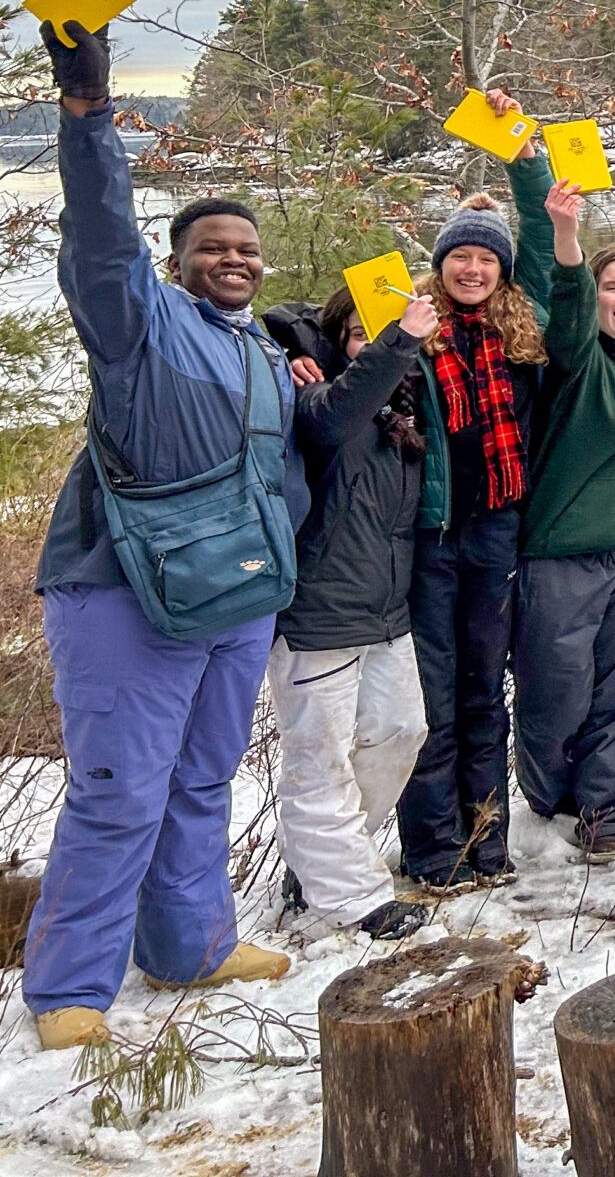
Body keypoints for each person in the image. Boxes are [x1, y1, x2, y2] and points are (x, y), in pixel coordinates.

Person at [22, 20, 296, 1049]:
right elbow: (99, 233)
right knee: (117, 790)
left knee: (200, 779)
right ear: (177, 264)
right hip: (124, 594)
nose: (235, 259)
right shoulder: (138, 322)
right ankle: (68, 991)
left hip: (238, 596)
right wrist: (88, 109)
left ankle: (190, 945)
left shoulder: (264, 352)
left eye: (249, 249)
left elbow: (282, 469)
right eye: (213, 247)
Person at [398, 96, 558, 892]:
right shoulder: (414, 333)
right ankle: (432, 851)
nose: (473, 268)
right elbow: (313, 324)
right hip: (432, 535)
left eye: (484, 259)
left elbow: (540, 226)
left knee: (482, 688)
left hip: (495, 528)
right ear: (442, 262)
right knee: (433, 697)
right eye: (460, 256)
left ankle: (486, 842)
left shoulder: (517, 329)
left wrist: (524, 150)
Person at [261, 283, 439, 941]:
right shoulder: (315, 396)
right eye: (360, 332)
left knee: (401, 732)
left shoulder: (402, 411)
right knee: (320, 757)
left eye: (383, 330)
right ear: (340, 342)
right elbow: (336, 417)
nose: (374, 341)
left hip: (387, 612)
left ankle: (322, 866)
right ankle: (350, 898)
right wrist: (398, 341)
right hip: (319, 614)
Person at [511, 187, 615, 862]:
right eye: (614, 287)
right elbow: (567, 298)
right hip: (558, 556)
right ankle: (548, 799)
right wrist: (564, 232)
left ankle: (611, 809)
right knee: (556, 690)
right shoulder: (572, 358)